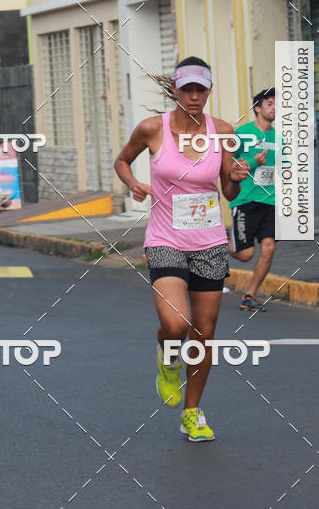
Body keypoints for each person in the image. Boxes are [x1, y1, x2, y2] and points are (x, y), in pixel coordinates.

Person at [114, 56, 249, 442]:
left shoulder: (222, 131)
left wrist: (236, 178)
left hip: (209, 242)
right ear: (175, 89)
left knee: (204, 333)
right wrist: (134, 184)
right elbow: (122, 160)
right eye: (186, 89)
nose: (193, 96)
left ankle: (192, 412)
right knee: (176, 325)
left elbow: (228, 190)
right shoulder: (152, 129)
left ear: (208, 91)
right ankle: (167, 357)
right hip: (165, 240)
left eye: (200, 89)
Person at [228, 88, 276, 311]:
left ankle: (249, 295)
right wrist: (254, 161)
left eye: (276, 103)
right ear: (257, 108)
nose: (274, 107)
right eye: (269, 103)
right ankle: (215, 244)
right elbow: (230, 166)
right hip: (245, 200)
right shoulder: (243, 133)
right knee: (246, 255)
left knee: (269, 247)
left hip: (269, 200)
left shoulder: (278, 137)